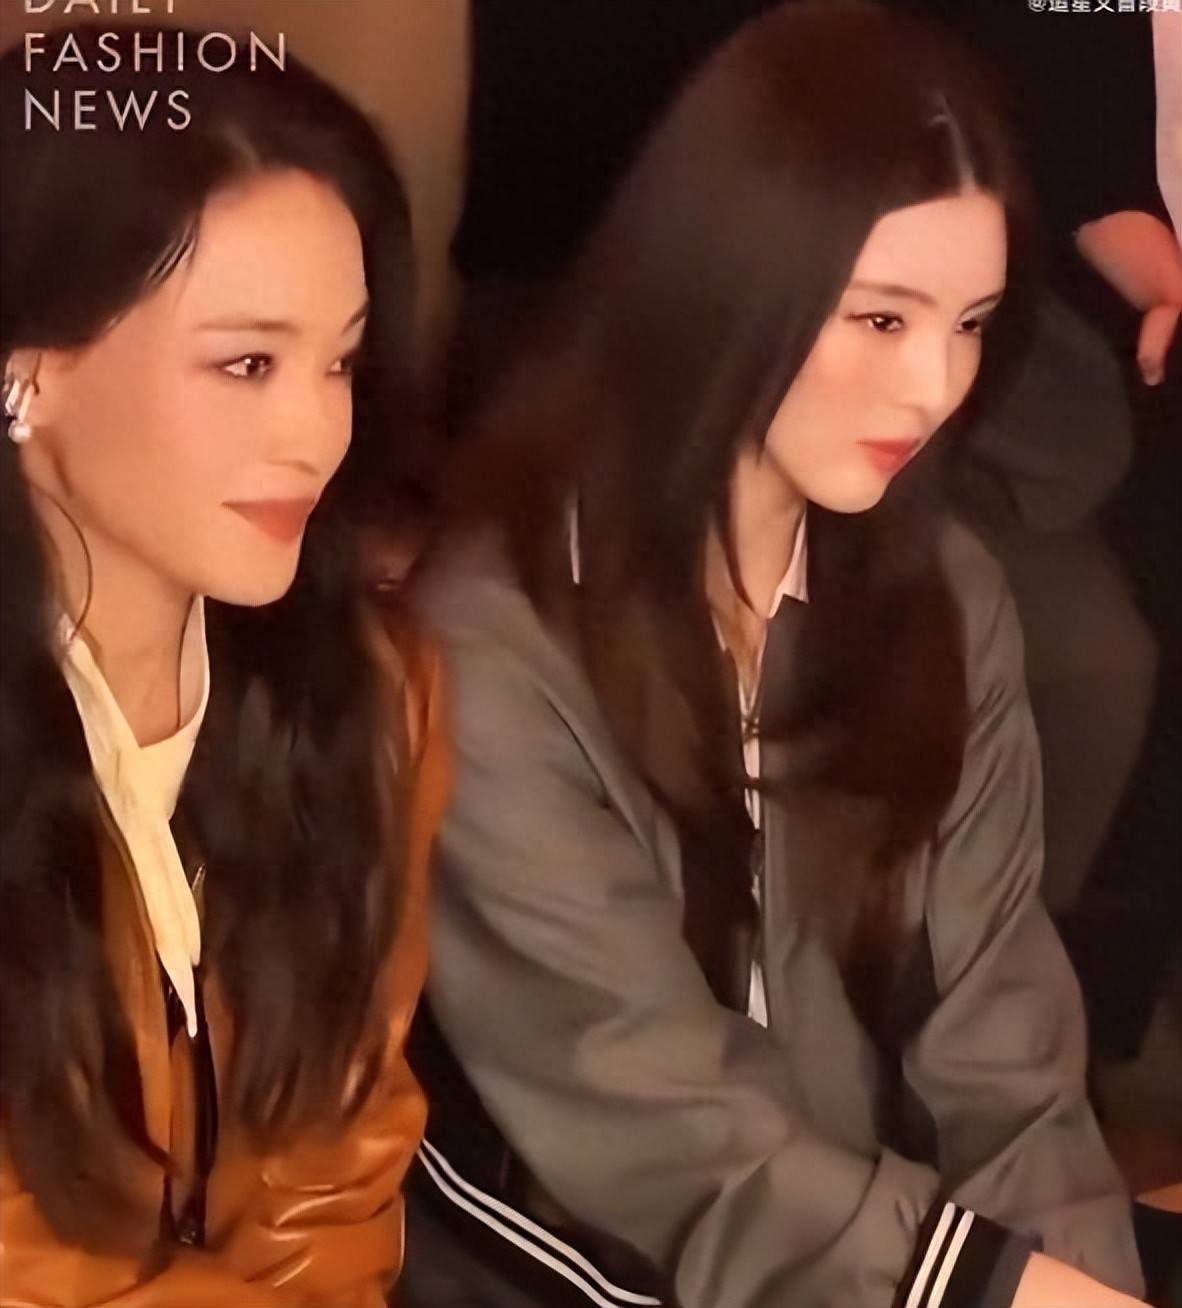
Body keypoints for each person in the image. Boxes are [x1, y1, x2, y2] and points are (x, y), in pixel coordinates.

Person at [401, 4, 1147, 1306]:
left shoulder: (943, 592)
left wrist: (1081, 1273)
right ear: (723, 282)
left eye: (971, 323)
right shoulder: (490, 637)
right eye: (882, 320)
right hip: (571, 1257)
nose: (935, 388)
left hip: (860, 1248)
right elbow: (654, 1125)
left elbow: (1003, 1047)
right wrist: (986, 1289)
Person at [0, 25, 447, 1306]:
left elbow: (339, 1171)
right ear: (25, 376)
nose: (317, 430)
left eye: (340, 361)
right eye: (246, 363)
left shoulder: (371, 692)